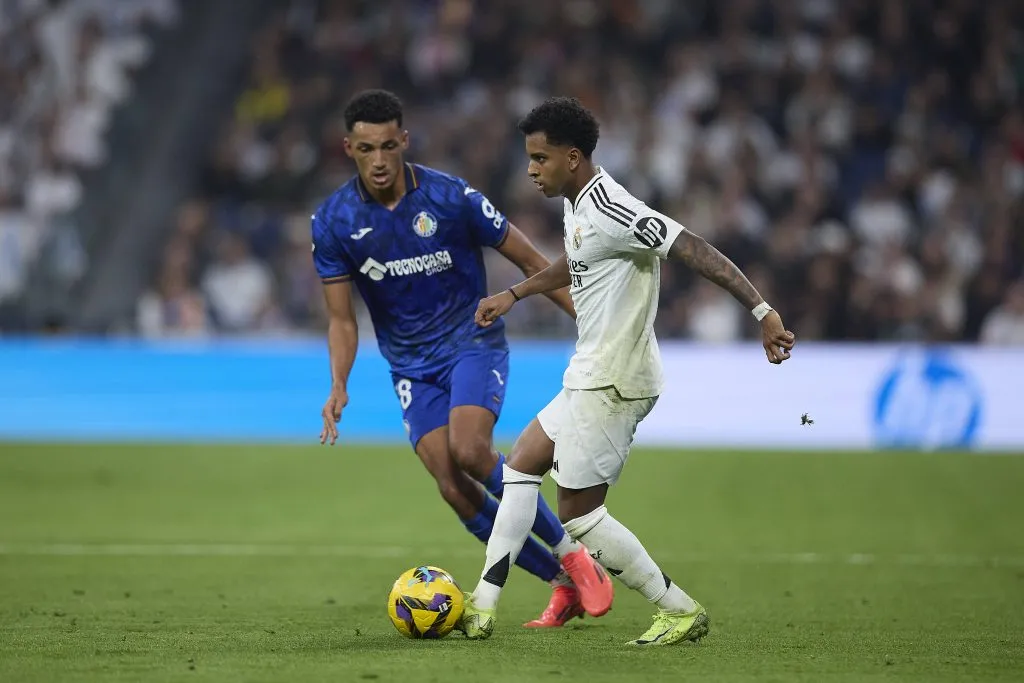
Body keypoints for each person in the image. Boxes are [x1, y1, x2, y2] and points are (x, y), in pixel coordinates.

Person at [456, 96, 796, 645]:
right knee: (519, 467)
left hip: (614, 381)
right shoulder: (578, 206)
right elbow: (577, 260)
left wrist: (762, 311)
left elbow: (693, 248)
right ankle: (484, 604)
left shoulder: (613, 207)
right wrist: (515, 293)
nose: (530, 169)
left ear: (572, 157)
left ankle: (678, 608)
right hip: (589, 370)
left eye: (540, 159)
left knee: (580, 517)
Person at [311, 89, 613, 627]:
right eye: (365, 149)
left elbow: (531, 260)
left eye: (387, 146)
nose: (378, 160)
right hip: (410, 366)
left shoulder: (452, 198)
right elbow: (341, 319)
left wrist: (593, 323)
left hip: (472, 342)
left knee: (472, 452)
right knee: (451, 486)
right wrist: (339, 384)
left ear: (403, 140)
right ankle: (559, 580)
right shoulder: (334, 221)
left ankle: (575, 555)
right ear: (348, 148)